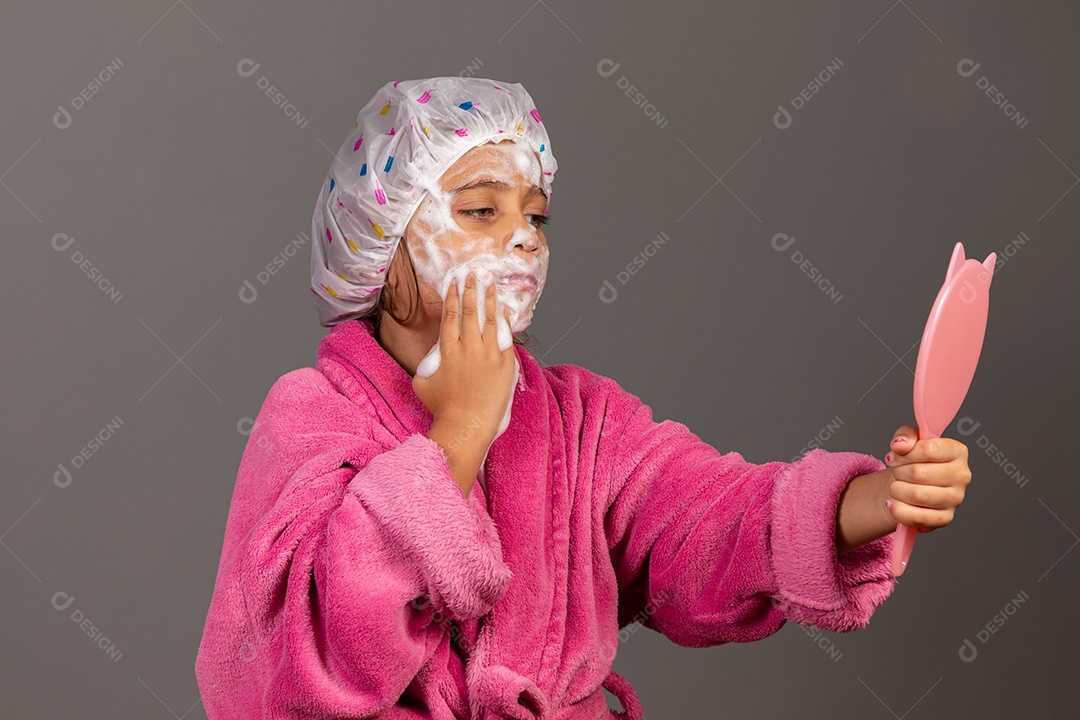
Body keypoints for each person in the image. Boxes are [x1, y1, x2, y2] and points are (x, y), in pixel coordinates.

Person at [194, 76, 973, 719]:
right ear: (381, 242)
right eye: (480, 211)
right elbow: (299, 664)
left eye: (536, 215)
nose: (525, 237)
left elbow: (704, 520)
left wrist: (870, 502)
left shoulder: (578, 422)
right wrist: (462, 428)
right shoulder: (312, 415)